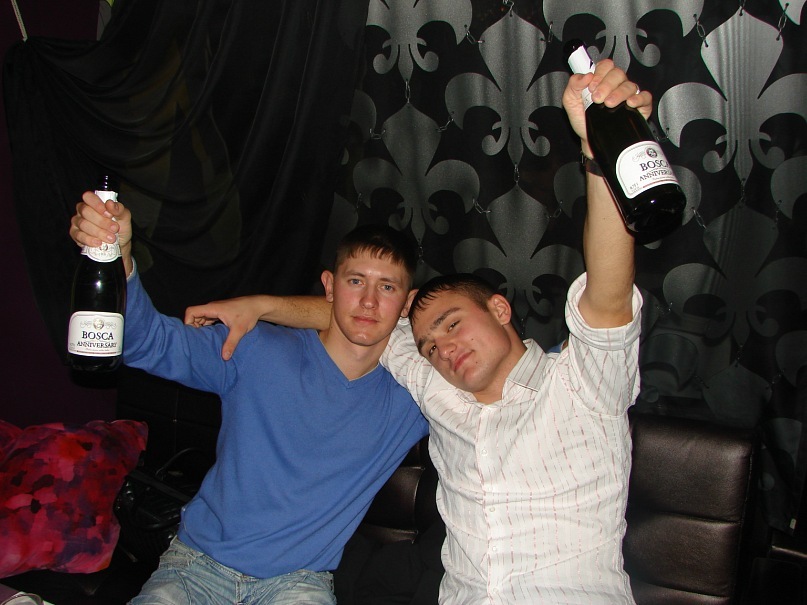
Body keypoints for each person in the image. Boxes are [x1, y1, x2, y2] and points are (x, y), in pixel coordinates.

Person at [184, 59, 645, 604]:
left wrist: (600, 153)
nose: (442, 349)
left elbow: (609, 292)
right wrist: (261, 305)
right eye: (427, 345)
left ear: (499, 309)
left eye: (452, 324)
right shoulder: (435, 387)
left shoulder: (584, 385)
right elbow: (362, 316)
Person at [68, 206, 429, 604]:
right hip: (195, 567)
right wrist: (119, 256)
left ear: (407, 302)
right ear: (329, 286)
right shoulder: (256, 349)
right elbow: (146, 342)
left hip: (298, 582)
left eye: (387, 288)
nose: (369, 301)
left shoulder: (414, 394)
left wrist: (265, 303)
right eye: (356, 281)